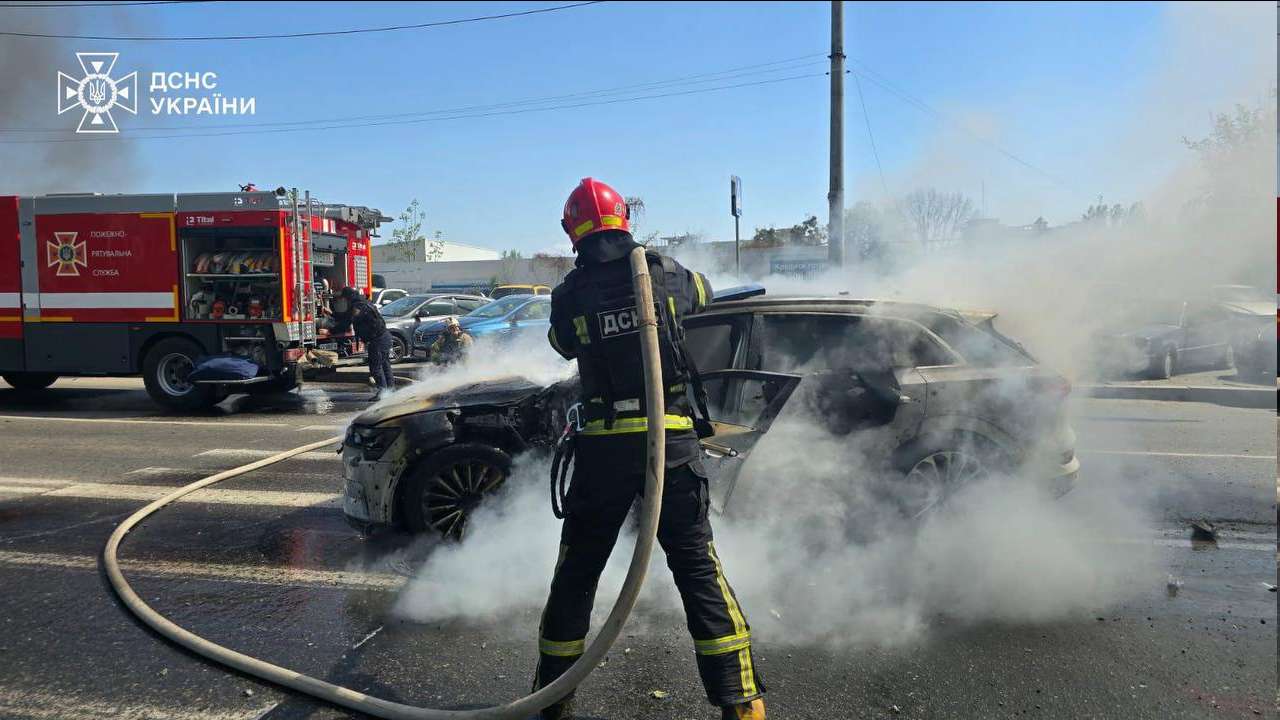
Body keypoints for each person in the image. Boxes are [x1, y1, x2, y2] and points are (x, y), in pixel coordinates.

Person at [533, 178, 765, 720]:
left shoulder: (570, 292)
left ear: (573, 230)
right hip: (672, 442)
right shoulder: (667, 273)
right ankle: (742, 703)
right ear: (623, 219)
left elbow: (563, 344)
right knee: (697, 569)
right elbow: (705, 298)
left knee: (577, 572)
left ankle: (554, 698)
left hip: (604, 451)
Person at [340, 286, 394, 399]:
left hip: (378, 340)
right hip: (384, 337)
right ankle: (390, 391)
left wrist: (330, 330)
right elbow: (346, 316)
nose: (344, 301)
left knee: (375, 368)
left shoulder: (358, 308)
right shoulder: (363, 304)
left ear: (349, 298)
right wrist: (332, 313)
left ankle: (384, 393)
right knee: (384, 365)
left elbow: (345, 324)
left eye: (345, 299)